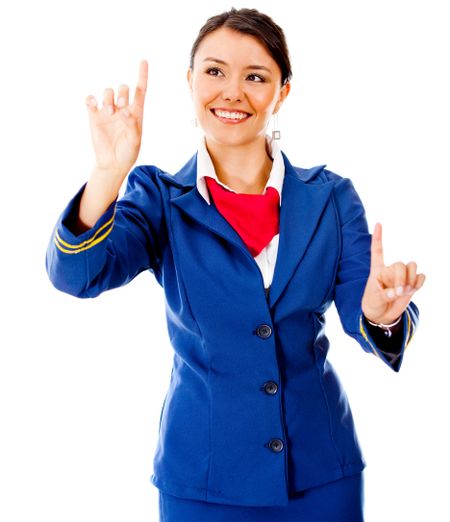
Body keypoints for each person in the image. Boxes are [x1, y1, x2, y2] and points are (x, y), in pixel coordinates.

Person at [45, 7, 425, 522]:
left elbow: (369, 310)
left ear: (283, 92)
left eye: (256, 77)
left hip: (320, 474)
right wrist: (108, 175)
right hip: (202, 479)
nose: (232, 92)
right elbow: (76, 276)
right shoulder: (158, 196)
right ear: (190, 81)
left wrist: (381, 313)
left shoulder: (331, 199)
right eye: (215, 71)